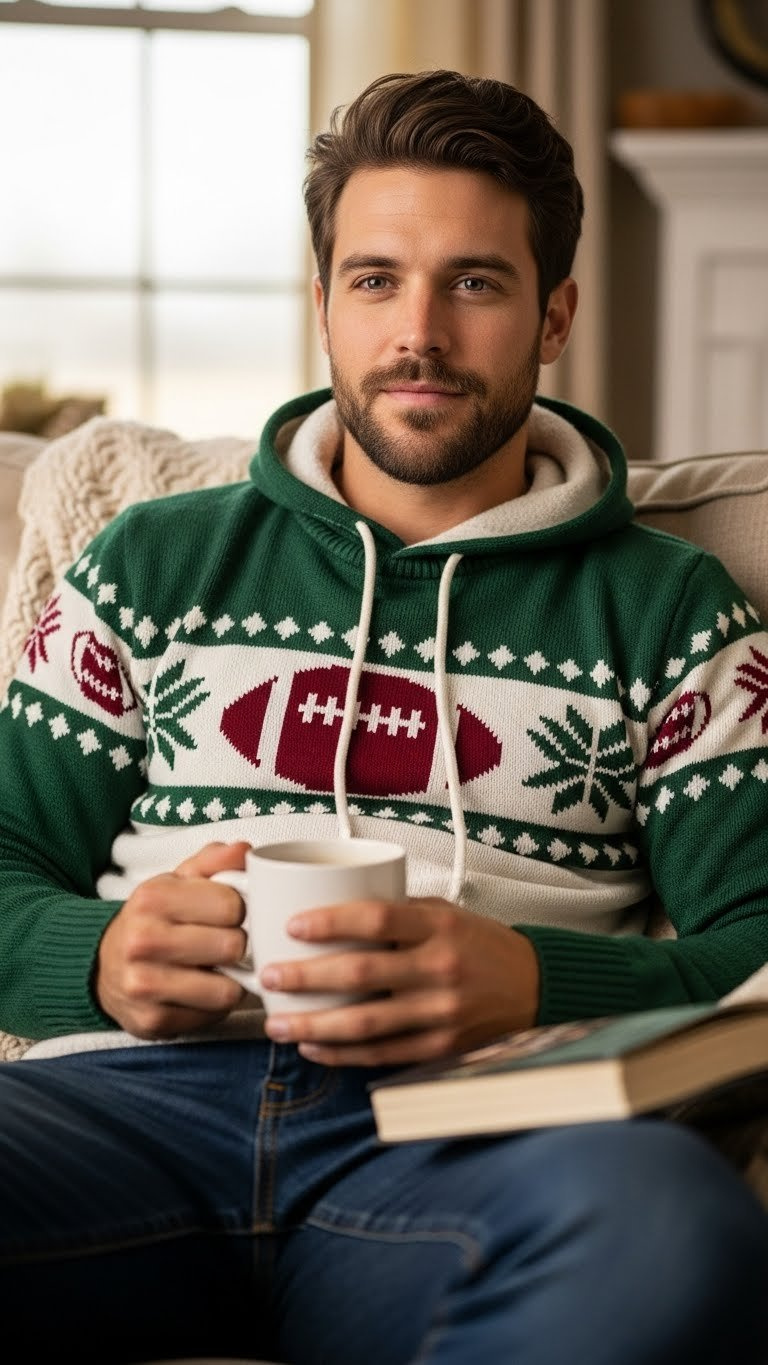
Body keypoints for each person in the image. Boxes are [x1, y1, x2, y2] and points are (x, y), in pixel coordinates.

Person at [0, 68, 766, 1364]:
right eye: (374, 280)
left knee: (676, 1236)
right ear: (323, 305)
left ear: (554, 313)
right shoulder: (147, 563)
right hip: (122, 1112)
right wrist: (100, 953)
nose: (419, 332)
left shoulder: (674, 611)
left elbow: (757, 950)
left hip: (473, 1138)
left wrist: (536, 981)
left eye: (475, 282)